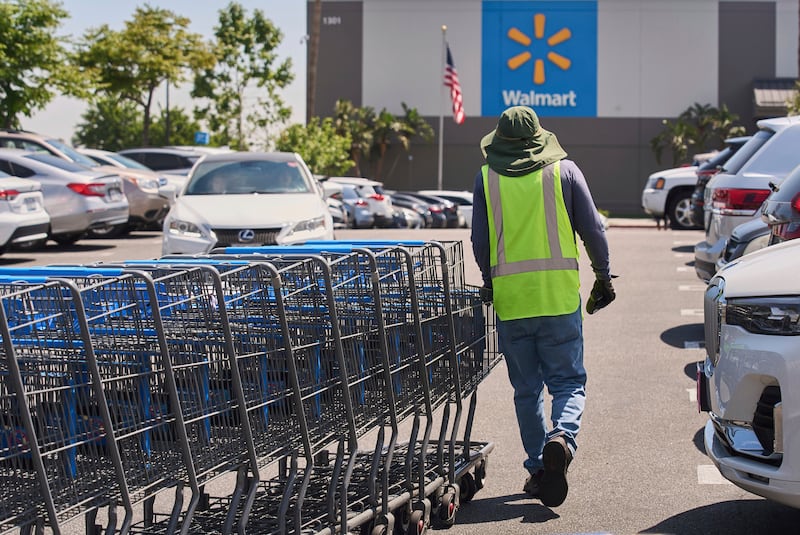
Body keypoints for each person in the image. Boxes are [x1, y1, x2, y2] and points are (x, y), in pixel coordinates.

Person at [470, 105, 615, 508]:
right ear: (539, 138)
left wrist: (489, 283)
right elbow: (593, 229)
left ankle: (538, 469)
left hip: (512, 303)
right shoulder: (564, 171)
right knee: (568, 382)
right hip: (558, 299)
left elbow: (480, 242)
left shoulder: (486, 178)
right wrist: (603, 275)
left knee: (526, 390)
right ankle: (562, 439)